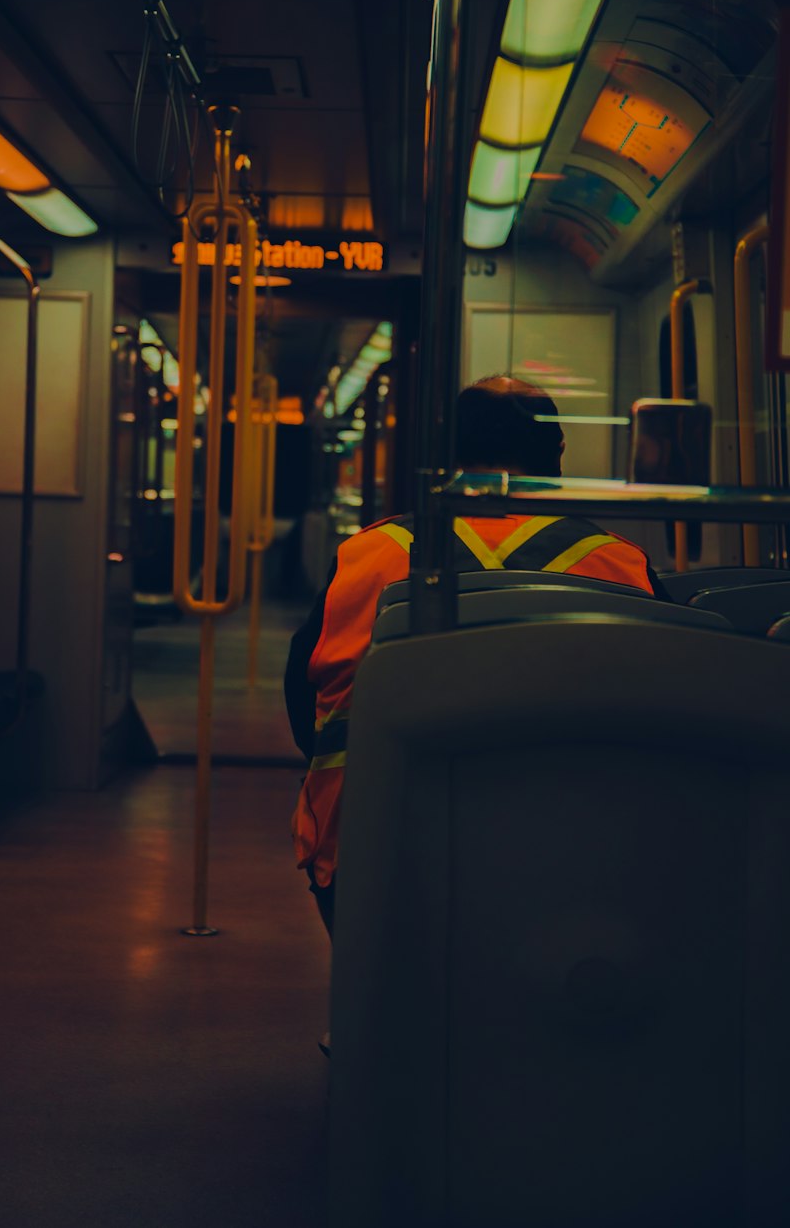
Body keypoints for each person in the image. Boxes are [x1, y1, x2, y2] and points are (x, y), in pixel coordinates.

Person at [285, 375, 666, 940]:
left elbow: (305, 706)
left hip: (369, 843)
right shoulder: (619, 564)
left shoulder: (367, 555)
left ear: (447, 454)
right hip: (576, 854)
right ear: (558, 453)